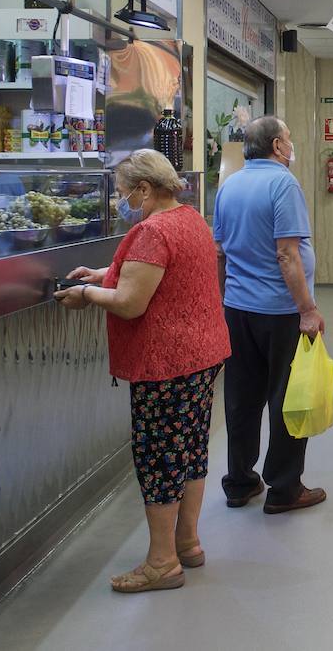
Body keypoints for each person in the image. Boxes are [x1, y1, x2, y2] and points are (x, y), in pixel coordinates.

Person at [56, 149, 231, 593]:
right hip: (202, 356)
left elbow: (133, 303)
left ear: (145, 189)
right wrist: (104, 274)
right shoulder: (190, 218)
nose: (122, 199)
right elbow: (159, 275)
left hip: (165, 364)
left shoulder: (151, 231)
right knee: (190, 449)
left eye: (123, 191)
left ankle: (161, 562)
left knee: (159, 457)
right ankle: (187, 543)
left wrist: (86, 295)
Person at [213, 116, 327, 514]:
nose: (291, 147)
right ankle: (284, 488)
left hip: (238, 309)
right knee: (287, 399)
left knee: (241, 400)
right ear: (278, 146)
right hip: (280, 313)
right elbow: (286, 253)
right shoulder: (283, 183)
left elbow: (221, 252)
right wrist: (308, 310)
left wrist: (224, 301)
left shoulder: (229, 186)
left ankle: (239, 482)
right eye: (290, 139)